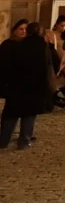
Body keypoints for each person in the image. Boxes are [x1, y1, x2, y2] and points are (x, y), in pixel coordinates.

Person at [0, 21, 53, 149]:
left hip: (17, 86)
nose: (23, 32)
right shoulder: (41, 46)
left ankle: (5, 140)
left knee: (12, 114)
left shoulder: (20, 46)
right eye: (20, 29)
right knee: (28, 113)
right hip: (31, 86)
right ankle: (22, 140)